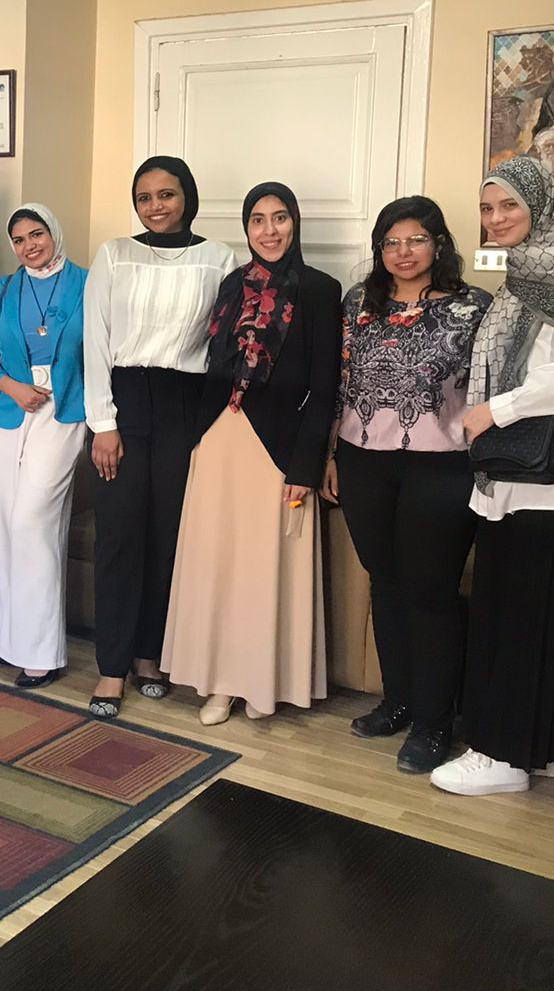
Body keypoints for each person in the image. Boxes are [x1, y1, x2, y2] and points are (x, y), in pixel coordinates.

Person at [432, 156, 554, 796]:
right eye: (486, 208)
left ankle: (502, 756)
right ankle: (553, 750)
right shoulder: (521, 275)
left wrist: (499, 409)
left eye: (509, 206)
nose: (496, 219)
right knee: (548, 616)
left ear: (540, 204)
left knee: (526, 617)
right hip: (531, 475)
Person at [161, 182, 341, 725]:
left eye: (279, 217)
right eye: (258, 220)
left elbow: (325, 387)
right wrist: (195, 441)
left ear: (295, 223)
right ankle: (219, 684)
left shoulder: (320, 289)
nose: (269, 230)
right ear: (246, 228)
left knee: (264, 566)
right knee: (218, 563)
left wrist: (306, 464)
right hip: (220, 438)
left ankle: (262, 682)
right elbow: (212, 366)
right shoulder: (230, 285)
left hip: (278, 447)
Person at [322, 197, 491, 773]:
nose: (403, 252)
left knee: (430, 592)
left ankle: (434, 721)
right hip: (363, 461)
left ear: (438, 244)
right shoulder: (358, 303)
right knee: (386, 585)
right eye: (391, 242)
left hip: (441, 466)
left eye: (416, 239)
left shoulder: (474, 307)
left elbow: (492, 389)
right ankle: (397, 701)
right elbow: (341, 383)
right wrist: (331, 455)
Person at [82, 157, 238, 718]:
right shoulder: (114, 254)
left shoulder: (218, 258)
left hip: (185, 406)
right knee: (119, 536)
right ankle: (111, 668)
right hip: (124, 403)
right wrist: (103, 423)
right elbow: (95, 339)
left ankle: (149, 654)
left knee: (168, 537)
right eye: (144, 197)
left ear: (187, 197)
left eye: (166, 194)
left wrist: (212, 425)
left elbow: (224, 346)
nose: (156, 207)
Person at [0, 205, 87, 687]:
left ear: (54, 232)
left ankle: (40, 650)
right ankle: (7, 637)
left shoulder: (88, 284)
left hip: (64, 411)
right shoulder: (2, 289)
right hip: (8, 411)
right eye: (18, 240)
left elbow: (101, 354)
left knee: (32, 521)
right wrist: (12, 387)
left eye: (37, 234)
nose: (29, 246)